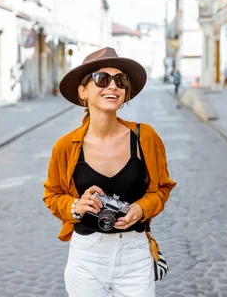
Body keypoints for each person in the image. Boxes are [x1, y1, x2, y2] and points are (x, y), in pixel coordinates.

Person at [43, 47, 176, 297]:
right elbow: (52, 195)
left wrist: (141, 208)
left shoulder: (144, 137)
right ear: (83, 91)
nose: (112, 86)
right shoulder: (65, 146)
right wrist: (76, 206)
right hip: (87, 256)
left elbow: (162, 189)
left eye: (120, 80)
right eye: (102, 79)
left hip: (134, 254)